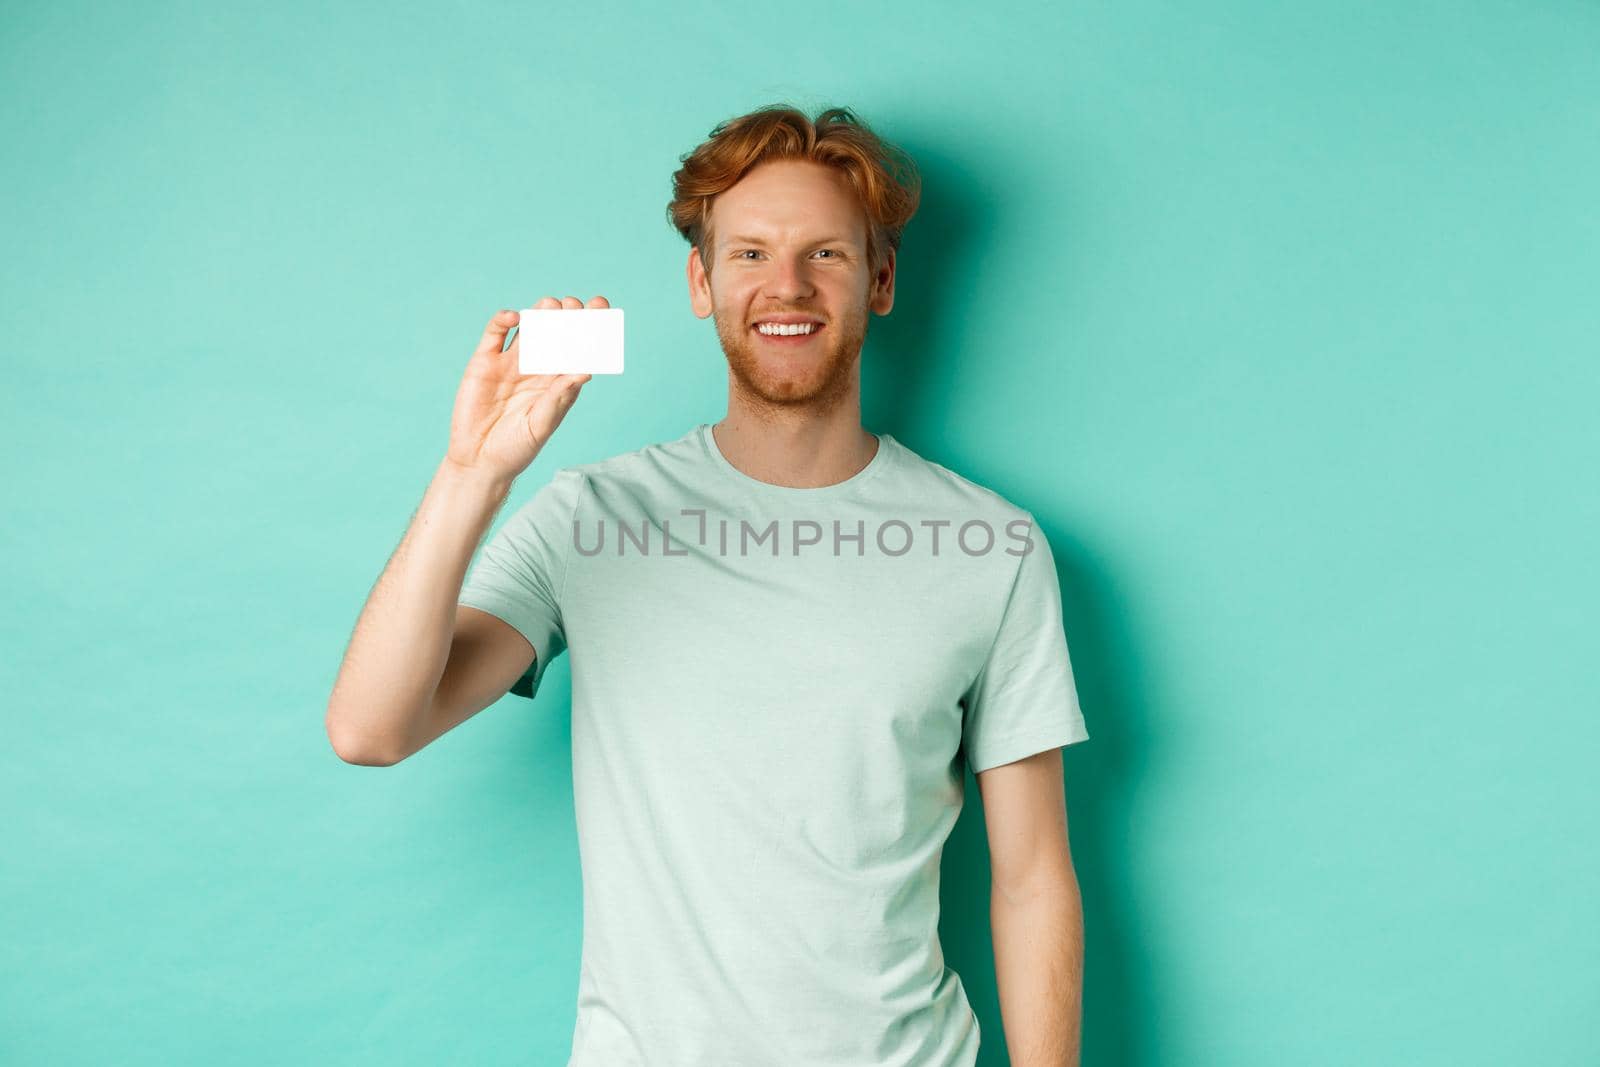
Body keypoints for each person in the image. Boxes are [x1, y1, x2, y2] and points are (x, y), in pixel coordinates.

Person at [326, 103, 1090, 1067]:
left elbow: (1030, 879)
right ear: (700, 280)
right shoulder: (588, 517)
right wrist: (472, 473)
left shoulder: (991, 545)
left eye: (827, 255)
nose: (787, 286)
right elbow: (370, 728)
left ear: (881, 279)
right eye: (749, 254)